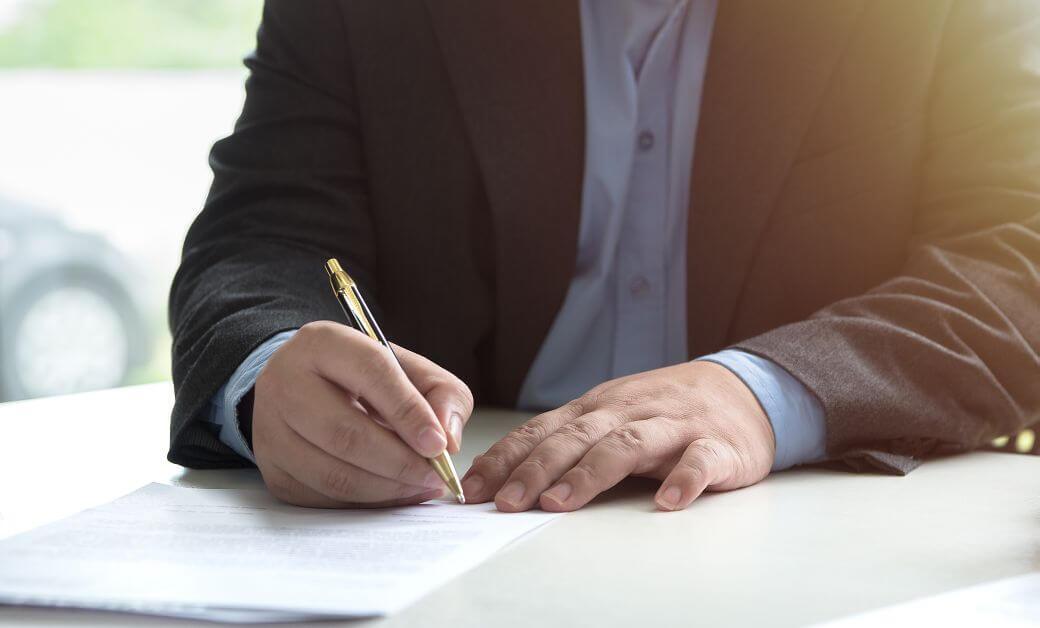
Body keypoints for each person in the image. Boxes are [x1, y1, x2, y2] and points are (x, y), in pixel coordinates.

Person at [169, 1, 1040, 512]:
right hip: (455, 523)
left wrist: (760, 394)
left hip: (811, 529)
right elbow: (263, 233)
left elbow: (1018, 257)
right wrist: (271, 368)